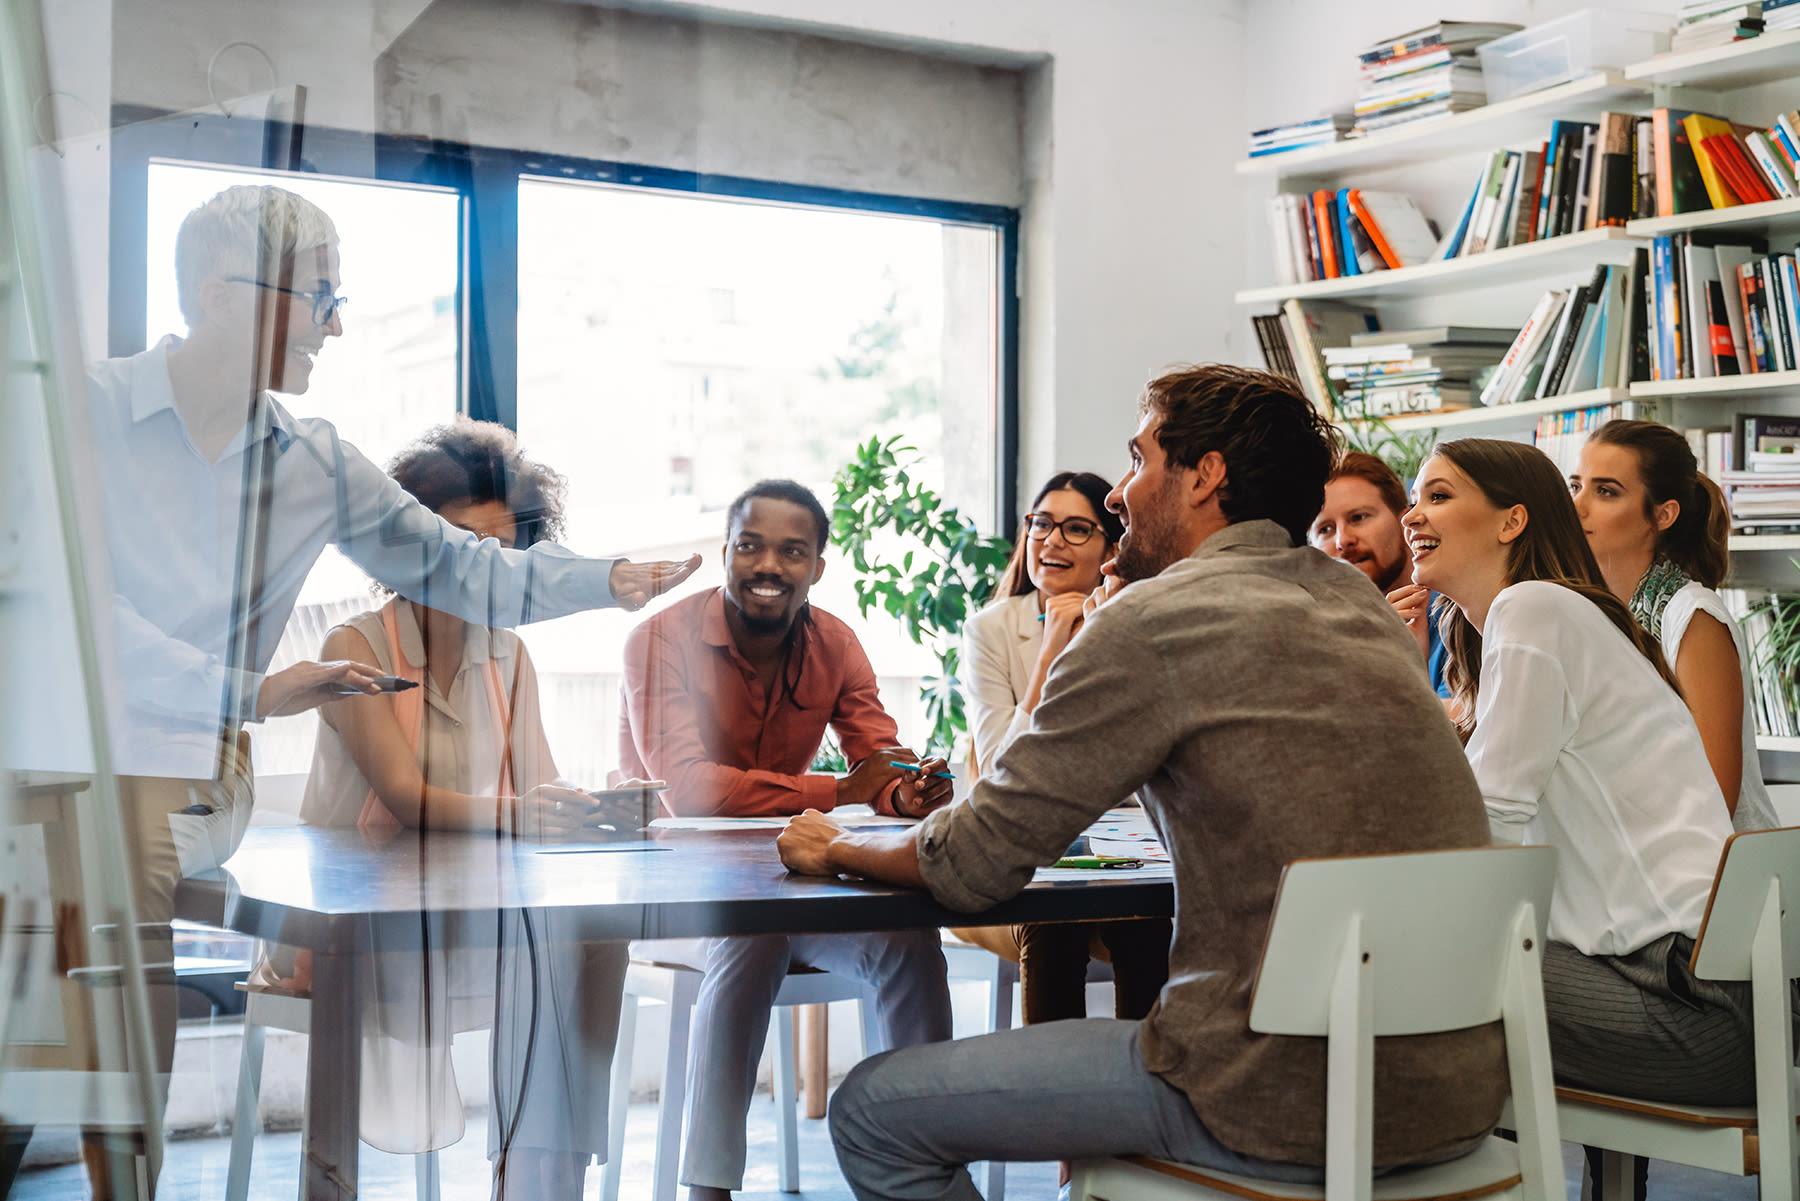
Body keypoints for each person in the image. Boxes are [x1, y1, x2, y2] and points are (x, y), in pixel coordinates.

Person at [56, 184, 696, 1199]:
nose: (339, 323)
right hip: (55, 747)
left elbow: (468, 566)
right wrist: (258, 687)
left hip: (178, 767)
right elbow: (73, 611)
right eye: (319, 295)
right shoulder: (77, 413)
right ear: (224, 297)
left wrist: (606, 579)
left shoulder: (313, 461)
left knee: (107, 846)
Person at [777, 365, 1506, 1198]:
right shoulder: (1361, 604)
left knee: (872, 1110)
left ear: (1207, 475)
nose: (1121, 492)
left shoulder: (1153, 618)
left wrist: (841, 846)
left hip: (1271, 1097)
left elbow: (975, 862)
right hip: (1452, 1095)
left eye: (1139, 457)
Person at [254, 420, 628, 1199]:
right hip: (353, 936)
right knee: (552, 951)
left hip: (466, 924)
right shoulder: (355, 644)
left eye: (496, 549)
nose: (475, 567)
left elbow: (538, 791)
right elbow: (410, 801)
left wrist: (585, 809)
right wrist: (526, 811)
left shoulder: (510, 655)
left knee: (595, 942)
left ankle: (538, 1174)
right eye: (457, 541)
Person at [1403, 437, 1773, 1112]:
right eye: (1413, 498)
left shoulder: (1535, 609)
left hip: (1695, 1007)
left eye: (1438, 495)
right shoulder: (1546, 619)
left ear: (1511, 521)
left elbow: (1489, 819)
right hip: (1713, 996)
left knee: (1382, 968)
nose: (1412, 516)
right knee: (1393, 967)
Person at [618, 479, 955, 1201]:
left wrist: (908, 792)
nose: (768, 564)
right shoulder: (656, 639)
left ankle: (929, 1167)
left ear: (818, 567)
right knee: (752, 934)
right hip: (670, 893)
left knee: (909, 940)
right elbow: (689, 788)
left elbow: (881, 759)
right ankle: (707, 1188)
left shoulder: (836, 641)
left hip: (783, 885)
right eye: (751, 545)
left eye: (792, 551)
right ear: (726, 553)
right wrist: (841, 790)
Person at [954, 471, 1169, 1026]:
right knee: (1053, 918)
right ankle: (1049, 1108)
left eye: (1076, 528)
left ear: (1110, 545)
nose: (1050, 541)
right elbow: (1003, 773)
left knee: (1145, 916)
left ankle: (1146, 1093)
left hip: (1116, 861)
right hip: (1010, 872)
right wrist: (1051, 650)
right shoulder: (990, 631)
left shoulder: (1135, 623)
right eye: (1041, 523)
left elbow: (1145, 769)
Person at [1570, 420, 1777, 832]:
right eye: (1575, 486)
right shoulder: (1588, 610)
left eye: (1605, 491)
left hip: (1718, 872)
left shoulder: (1693, 615)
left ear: (1662, 515)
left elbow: (1715, 793)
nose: (1577, 506)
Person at [1309, 451, 1449, 699]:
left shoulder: (1454, 616)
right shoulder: (1315, 636)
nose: (1343, 541)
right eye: (1325, 529)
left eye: (1358, 518)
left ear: (1406, 522)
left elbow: (1463, 727)